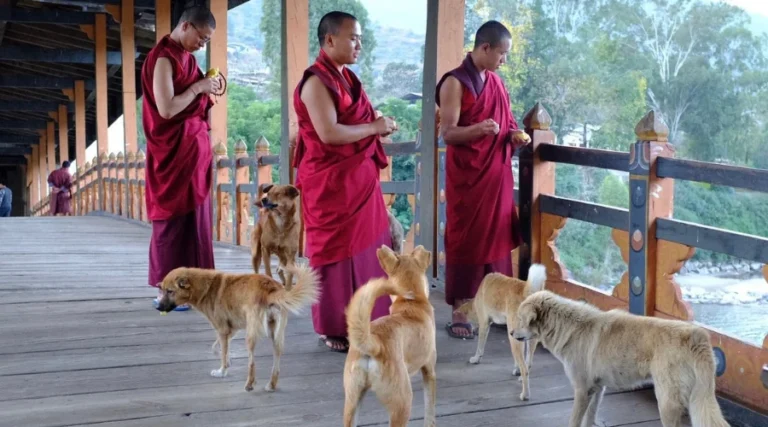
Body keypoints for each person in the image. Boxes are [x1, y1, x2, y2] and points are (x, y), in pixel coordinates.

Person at [293, 11, 399, 352]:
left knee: (368, 248)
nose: (359, 45)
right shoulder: (315, 82)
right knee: (336, 256)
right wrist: (374, 128)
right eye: (353, 37)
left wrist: (379, 122)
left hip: (358, 181)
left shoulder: (349, 80)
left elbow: (360, 118)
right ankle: (335, 326)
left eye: (361, 39)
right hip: (331, 182)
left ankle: (370, 316)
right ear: (329, 40)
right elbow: (328, 132)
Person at [436, 21, 530, 339]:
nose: (504, 60)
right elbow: (447, 132)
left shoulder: (497, 85)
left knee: (497, 240)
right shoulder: (454, 82)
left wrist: (516, 136)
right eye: (502, 53)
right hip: (468, 180)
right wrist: (478, 130)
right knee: (466, 241)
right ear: (485, 47)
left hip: (495, 178)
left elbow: (508, 123)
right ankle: (461, 311)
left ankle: (498, 308)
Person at [141, 6, 221, 311]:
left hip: (193, 153)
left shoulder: (188, 57)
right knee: (171, 222)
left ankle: (193, 287)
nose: (202, 45)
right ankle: (167, 291)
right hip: (172, 153)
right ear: (185, 26)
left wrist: (205, 90)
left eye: (207, 41)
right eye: (200, 38)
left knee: (195, 223)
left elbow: (190, 99)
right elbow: (167, 109)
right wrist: (199, 87)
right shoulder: (164, 58)